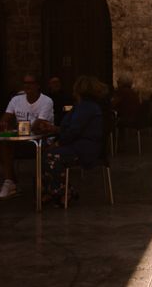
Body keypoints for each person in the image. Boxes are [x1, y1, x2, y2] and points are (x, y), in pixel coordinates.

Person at [40, 75, 106, 207]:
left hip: (85, 148)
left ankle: (61, 192)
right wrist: (55, 129)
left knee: (51, 155)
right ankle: (55, 190)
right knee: (44, 151)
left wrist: (59, 142)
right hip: (79, 145)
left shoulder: (86, 107)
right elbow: (71, 127)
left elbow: (74, 131)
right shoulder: (83, 106)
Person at [0, 74, 54, 200]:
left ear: (38, 85)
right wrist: (2, 124)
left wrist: (19, 130)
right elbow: (5, 117)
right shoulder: (16, 100)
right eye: (25, 83)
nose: (27, 86)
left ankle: (15, 183)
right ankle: (10, 182)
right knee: (1, 146)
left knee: (9, 146)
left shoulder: (46, 101)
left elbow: (38, 124)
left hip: (40, 141)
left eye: (31, 83)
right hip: (21, 141)